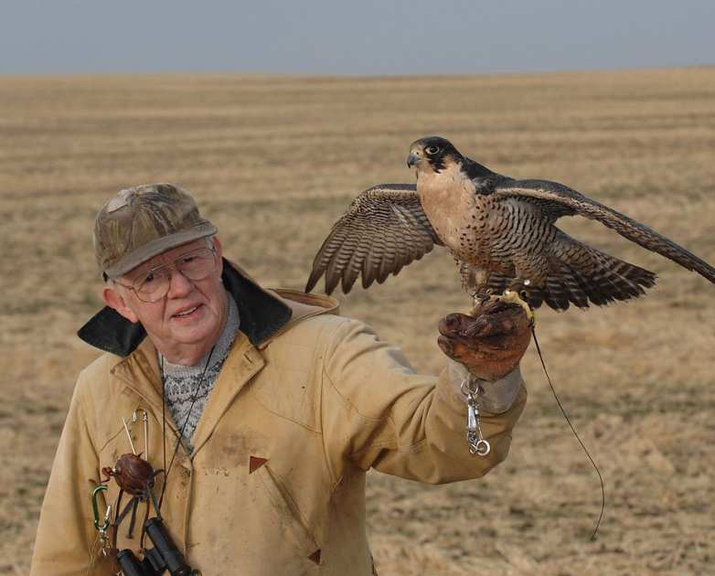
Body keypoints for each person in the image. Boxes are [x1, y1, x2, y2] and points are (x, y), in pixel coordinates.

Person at [30, 183, 531, 575]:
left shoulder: (325, 354)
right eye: (151, 277)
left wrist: (482, 379)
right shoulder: (101, 389)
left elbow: (447, 447)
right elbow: (67, 555)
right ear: (119, 302)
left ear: (217, 254)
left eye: (190, 260)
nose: (180, 287)